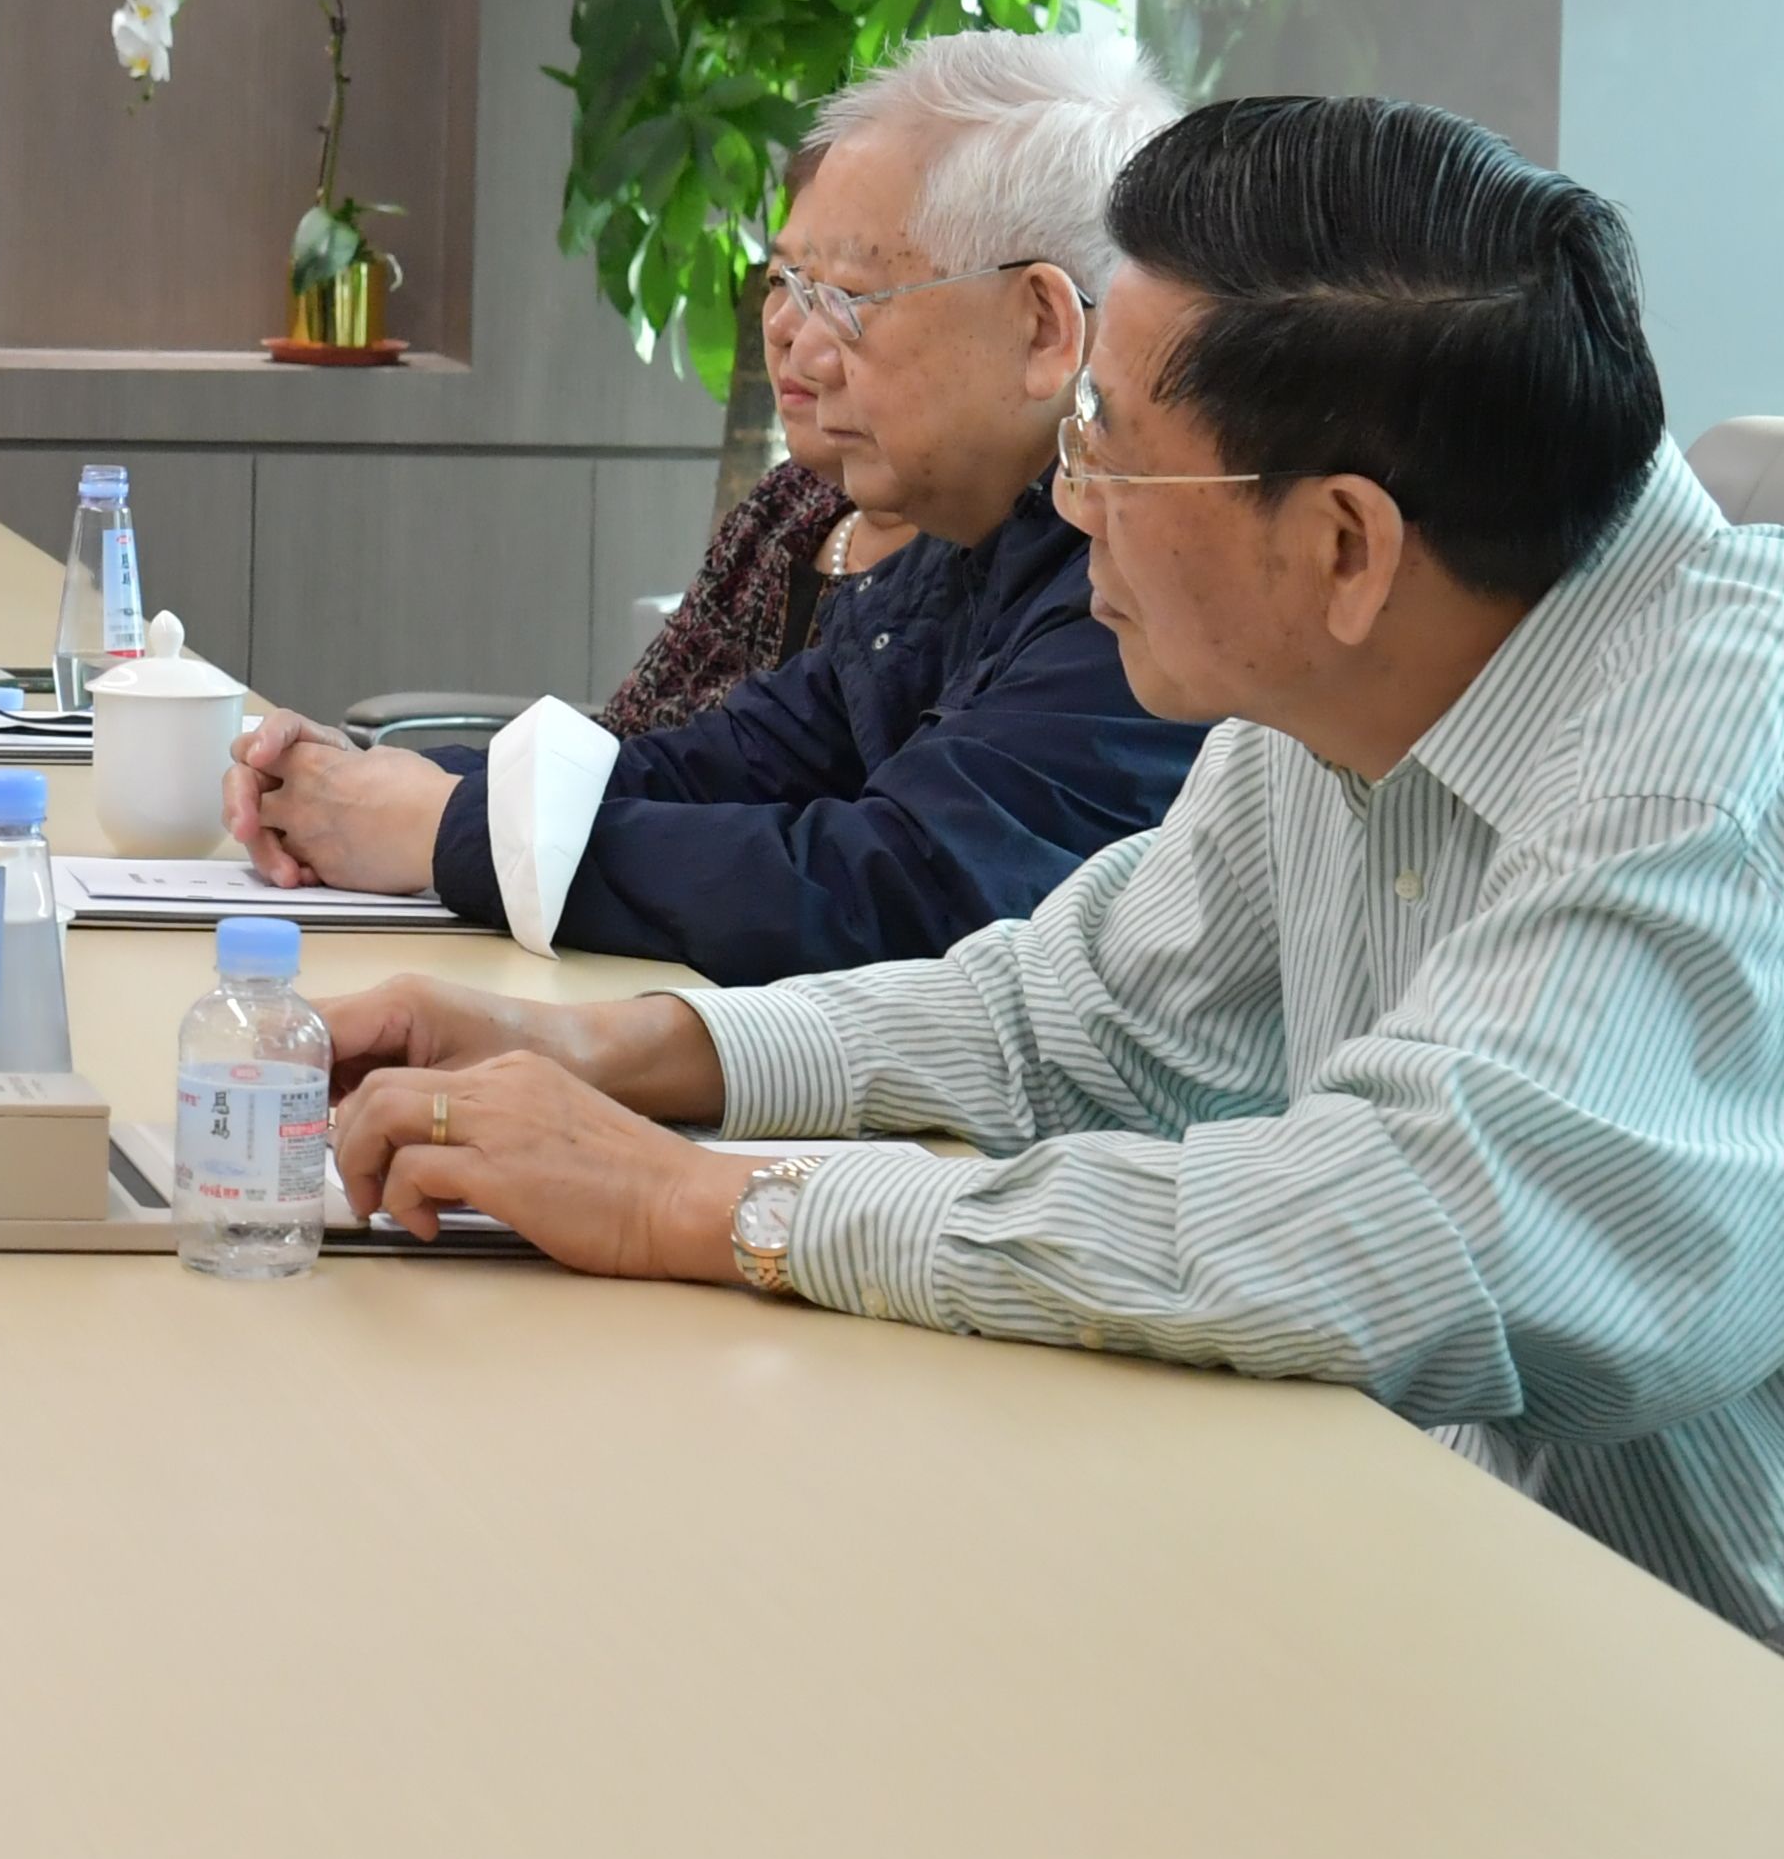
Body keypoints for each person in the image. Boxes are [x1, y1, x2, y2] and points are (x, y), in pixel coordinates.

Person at [320, 96, 1784, 1647]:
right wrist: (610, 1050)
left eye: (1108, 447)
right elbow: (1068, 1021)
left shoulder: (1713, 767)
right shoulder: (1350, 669)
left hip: (1690, 1696)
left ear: (1345, 548)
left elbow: (1383, 1231)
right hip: (1446, 1596)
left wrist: (701, 1204)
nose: (1071, 499)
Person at [230, 32, 1197, 980]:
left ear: (1042, 326)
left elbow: (898, 892)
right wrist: (371, 787)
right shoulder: (965, 548)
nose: (799, 348)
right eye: (794, 287)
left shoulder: (1146, 580)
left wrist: (448, 831)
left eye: (852, 300)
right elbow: (716, 764)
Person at [601, 156, 918, 738]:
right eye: (781, 282)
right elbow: (629, 736)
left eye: (845, 293)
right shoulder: (786, 502)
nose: (784, 329)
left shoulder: (1004, 562)